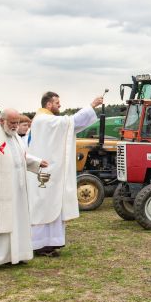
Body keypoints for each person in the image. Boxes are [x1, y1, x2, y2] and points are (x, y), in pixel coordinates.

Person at [27, 91, 102, 257]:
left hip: (51, 170)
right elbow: (71, 122)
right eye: (57, 103)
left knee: (52, 205)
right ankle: (39, 244)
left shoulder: (44, 120)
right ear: (48, 104)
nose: (60, 106)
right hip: (45, 171)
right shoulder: (44, 120)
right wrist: (92, 106)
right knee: (44, 205)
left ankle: (51, 242)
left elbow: (71, 126)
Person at [0, 109, 47, 273]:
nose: (15, 126)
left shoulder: (14, 136)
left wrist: (36, 162)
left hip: (17, 189)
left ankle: (15, 255)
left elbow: (19, 156)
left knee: (16, 222)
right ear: (2, 121)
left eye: (16, 123)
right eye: (12, 123)